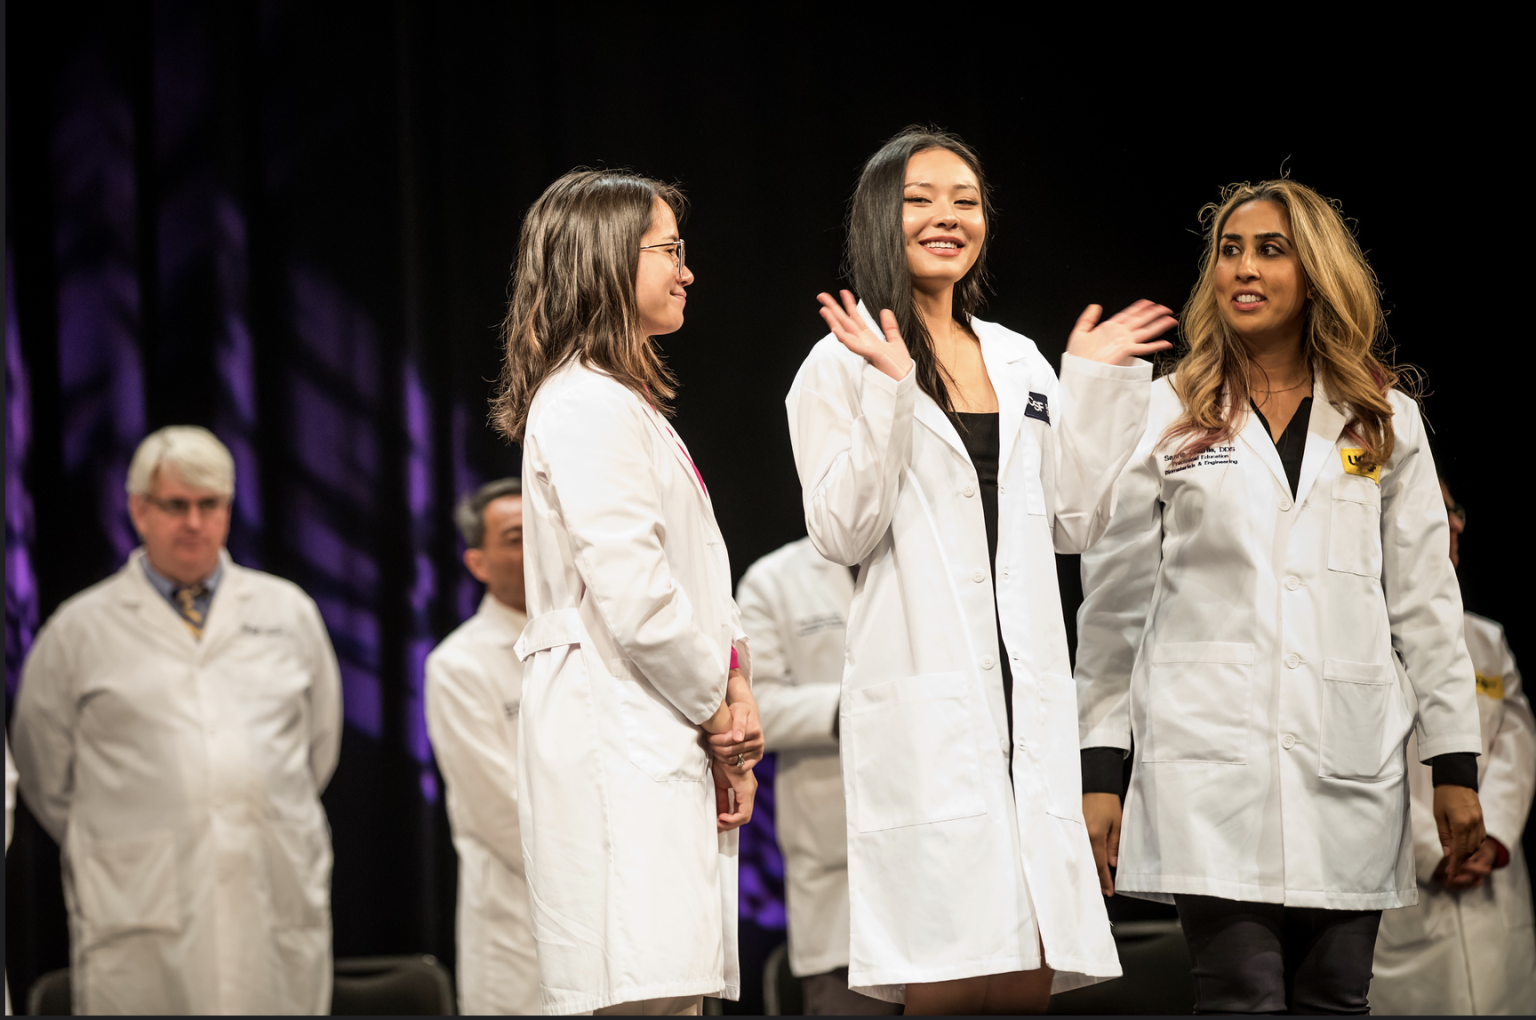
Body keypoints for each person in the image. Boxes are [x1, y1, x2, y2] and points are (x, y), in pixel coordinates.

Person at [785, 126, 1175, 1015]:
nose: (946, 217)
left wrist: (1096, 384)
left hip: (1023, 707)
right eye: (921, 199)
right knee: (953, 977)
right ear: (881, 217)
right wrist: (890, 388)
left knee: (1029, 974)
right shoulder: (837, 361)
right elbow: (841, 529)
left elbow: (1073, 522)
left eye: (965, 200)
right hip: (931, 708)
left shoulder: (1017, 357)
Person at [1074, 180, 1487, 1015]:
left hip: (1349, 755)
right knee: (1239, 996)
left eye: (1270, 248)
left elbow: (1424, 600)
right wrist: (1098, 772)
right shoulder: (1165, 412)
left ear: (1316, 272)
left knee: (1337, 996)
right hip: (1205, 760)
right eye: (1229, 250)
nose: (1244, 268)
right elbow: (1113, 608)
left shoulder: (1384, 419)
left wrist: (1455, 763)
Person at [493, 169, 765, 1016]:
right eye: (669, 250)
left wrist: (737, 682)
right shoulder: (581, 405)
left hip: (656, 727)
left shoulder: (625, 405)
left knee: (670, 988)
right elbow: (636, 591)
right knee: (638, 993)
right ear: (606, 260)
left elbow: (694, 578)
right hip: (618, 732)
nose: (687, 271)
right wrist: (720, 711)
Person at [11, 425, 341, 1015]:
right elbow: (43, 774)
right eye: (175, 505)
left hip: (269, 890)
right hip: (137, 907)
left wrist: (234, 798)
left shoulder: (287, 612)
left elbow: (319, 748)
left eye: (209, 505)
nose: (194, 522)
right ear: (139, 510)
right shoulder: (78, 630)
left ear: (229, 510)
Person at [1370, 483, 1536, 1014]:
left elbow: (1515, 742)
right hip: (1409, 886)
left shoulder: (1487, 641)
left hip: (1491, 885)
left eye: (1456, 512)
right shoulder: (1362, 642)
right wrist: (1431, 846)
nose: (1457, 524)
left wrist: (1493, 835)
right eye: (1443, 512)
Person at [735, 538, 898, 1016]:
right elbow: (753, 706)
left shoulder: (930, 556)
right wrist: (870, 707)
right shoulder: (773, 579)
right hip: (834, 863)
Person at [424, 477, 540, 1015]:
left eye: (543, 528)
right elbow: (503, 813)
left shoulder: (595, 641)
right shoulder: (459, 665)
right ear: (477, 563)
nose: (536, 545)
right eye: (517, 537)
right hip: (519, 932)